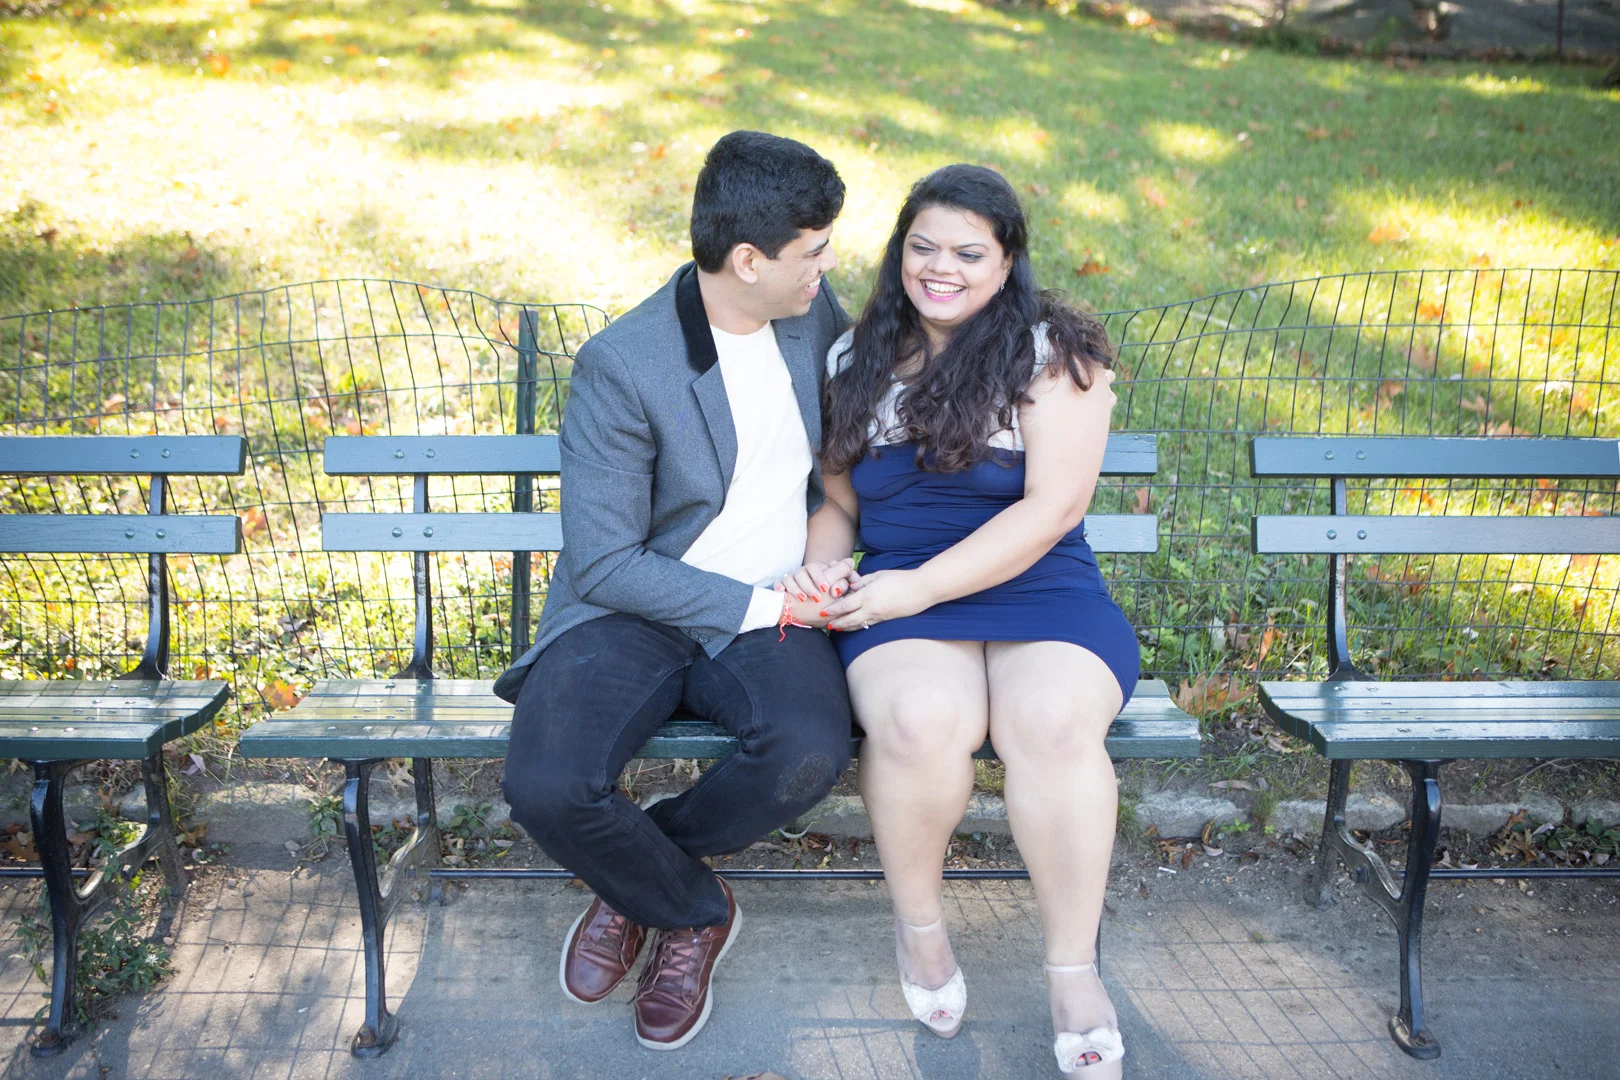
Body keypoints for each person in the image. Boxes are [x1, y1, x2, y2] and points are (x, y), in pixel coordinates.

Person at [493, 130, 855, 1052]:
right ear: (749, 260)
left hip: (774, 601)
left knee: (808, 753)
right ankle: (691, 908)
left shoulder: (811, 313)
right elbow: (607, 563)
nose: (827, 266)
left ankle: (637, 875)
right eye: (813, 250)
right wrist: (773, 608)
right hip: (635, 610)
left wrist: (820, 561)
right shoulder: (625, 365)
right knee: (547, 786)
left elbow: (853, 444)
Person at [783, 164, 1136, 1077]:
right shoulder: (853, 357)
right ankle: (921, 928)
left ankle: (1072, 970)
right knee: (915, 719)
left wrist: (919, 589)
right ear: (899, 251)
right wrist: (824, 564)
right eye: (924, 247)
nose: (941, 268)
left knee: (1051, 723)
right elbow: (840, 503)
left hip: (1039, 588)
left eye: (969, 253)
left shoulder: (1055, 354)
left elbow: (1052, 510)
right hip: (901, 592)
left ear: (1008, 261)